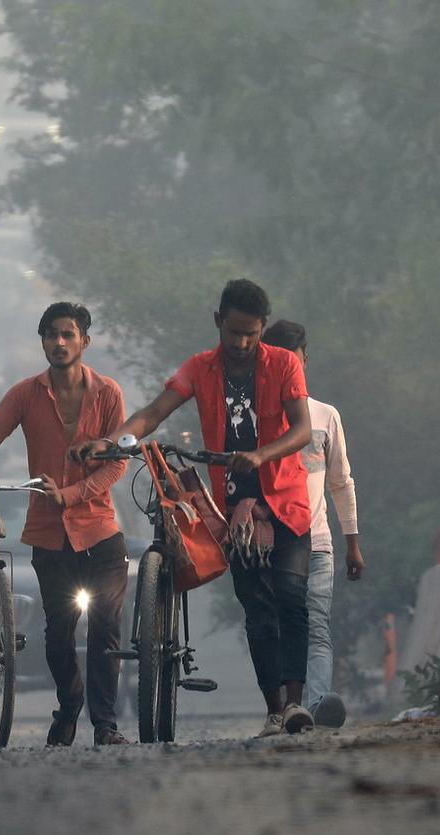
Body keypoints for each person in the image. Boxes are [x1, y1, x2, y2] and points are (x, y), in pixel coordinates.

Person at [75, 279, 315, 738]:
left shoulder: (284, 364)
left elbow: (302, 429)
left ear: (262, 329)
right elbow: (153, 413)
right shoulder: (200, 368)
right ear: (217, 322)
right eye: (234, 333)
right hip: (233, 509)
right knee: (257, 609)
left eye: (252, 334)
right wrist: (111, 442)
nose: (242, 344)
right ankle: (272, 711)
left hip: (286, 503)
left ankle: (295, 705)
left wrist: (263, 455)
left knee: (290, 597)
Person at [0, 302, 132, 747]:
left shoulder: (108, 393)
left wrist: (71, 495)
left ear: (84, 342)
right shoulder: (25, 394)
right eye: (51, 335)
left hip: (100, 530)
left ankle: (106, 724)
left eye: (68, 334)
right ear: (43, 342)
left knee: (106, 626)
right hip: (49, 535)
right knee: (58, 632)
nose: (59, 343)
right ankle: (70, 703)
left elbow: (115, 467)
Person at [262, 320, 365, 728]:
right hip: (272, 541)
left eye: (295, 358)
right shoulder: (258, 417)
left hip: (318, 540)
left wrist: (352, 542)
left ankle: (319, 702)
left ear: (305, 359)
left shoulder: (325, 416)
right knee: (275, 624)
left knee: (316, 624)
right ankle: (284, 707)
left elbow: (340, 481)